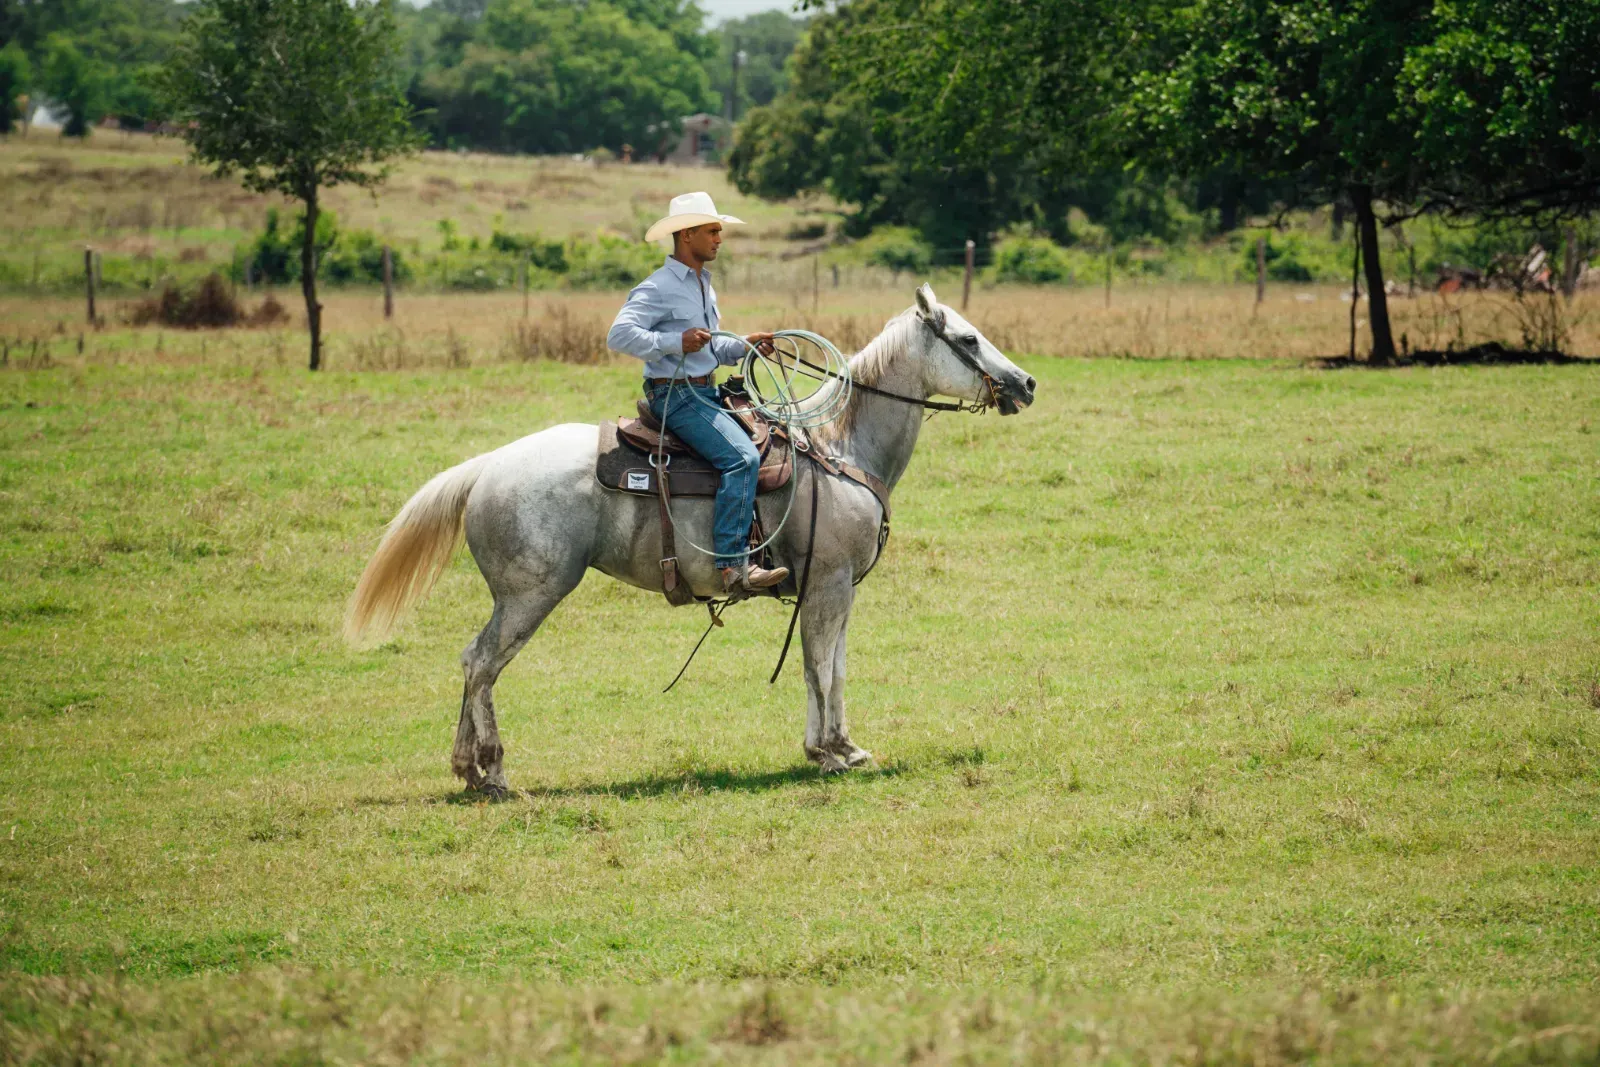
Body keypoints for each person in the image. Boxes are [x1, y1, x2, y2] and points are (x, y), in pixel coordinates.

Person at [606, 192, 791, 593]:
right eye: (712, 231)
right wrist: (675, 341)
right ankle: (732, 565)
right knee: (742, 459)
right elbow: (618, 334)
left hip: (705, 392)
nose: (719, 238)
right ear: (687, 234)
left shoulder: (704, 286)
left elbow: (709, 346)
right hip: (676, 396)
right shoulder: (657, 287)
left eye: (719, 231)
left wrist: (744, 344)